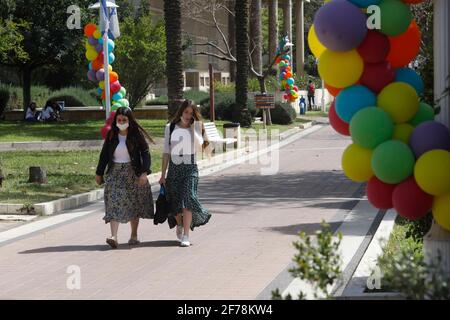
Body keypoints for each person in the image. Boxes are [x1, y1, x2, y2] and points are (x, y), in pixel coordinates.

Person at [95, 106, 155, 249]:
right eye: (119, 120)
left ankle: (134, 234)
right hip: (115, 173)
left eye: (124, 120)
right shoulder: (111, 135)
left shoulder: (136, 135)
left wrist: (144, 172)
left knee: (134, 204)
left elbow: (145, 153)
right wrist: (99, 173)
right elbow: (104, 155)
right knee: (114, 202)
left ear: (130, 120)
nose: (121, 122)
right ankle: (113, 236)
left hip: (133, 172)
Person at [159, 99, 211, 247]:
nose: (188, 115)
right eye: (186, 112)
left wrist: (193, 128)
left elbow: (201, 148)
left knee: (188, 199)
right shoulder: (170, 128)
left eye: (191, 113)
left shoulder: (196, 128)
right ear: (181, 112)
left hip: (190, 168)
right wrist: (163, 175)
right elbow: (166, 152)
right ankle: (179, 223)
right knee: (175, 201)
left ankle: (186, 235)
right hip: (174, 168)